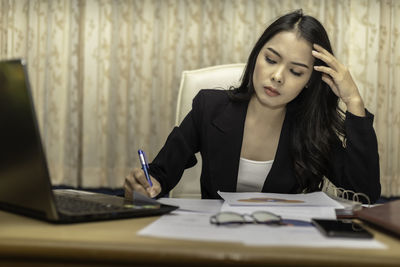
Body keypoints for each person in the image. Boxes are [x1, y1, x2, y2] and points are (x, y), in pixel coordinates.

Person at [124, 9, 381, 203]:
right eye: (271, 59)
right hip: (214, 242)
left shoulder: (311, 127)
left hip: (283, 247)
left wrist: (354, 102)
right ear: (256, 55)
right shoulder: (209, 107)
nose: (278, 76)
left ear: (308, 83)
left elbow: (364, 193)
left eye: (295, 71)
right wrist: (146, 185)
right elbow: (160, 173)